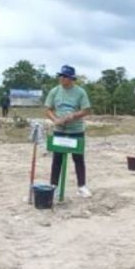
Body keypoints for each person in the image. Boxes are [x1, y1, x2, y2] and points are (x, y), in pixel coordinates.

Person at [45, 64, 93, 197]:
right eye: (60, 75)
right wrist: (55, 120)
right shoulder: (54, 91)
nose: (61, 78)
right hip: (59, 130)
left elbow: (86, 110)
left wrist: (73, 116)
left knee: (78, 159)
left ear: (71, 79)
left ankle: (81, 186)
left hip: (76, 130)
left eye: (65, 76)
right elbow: (48, 109)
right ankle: (53, 185)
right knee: (57, 159)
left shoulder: (80, 92)